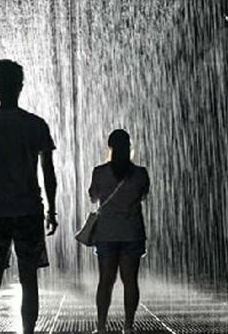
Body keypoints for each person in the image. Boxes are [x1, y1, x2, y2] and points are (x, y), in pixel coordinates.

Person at [0, 59, 59, 334]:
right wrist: (52, 211)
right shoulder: (36, 125)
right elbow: (48, 172)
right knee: (29, 278)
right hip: (29, 210)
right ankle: (28, 333)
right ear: (21, 86)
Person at [88, 129, 150, 334]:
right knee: (130, 281)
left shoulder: (99, 172)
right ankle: (128, 327)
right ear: (129, 147)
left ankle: (101, 326)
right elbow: (142, 195)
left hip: (107, 233)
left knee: (105, 281)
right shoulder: (140, 173)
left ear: (110, 146)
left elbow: (93, 197)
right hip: (132, 232)